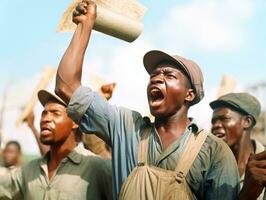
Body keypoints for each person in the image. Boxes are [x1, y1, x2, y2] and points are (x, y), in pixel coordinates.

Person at [54, 1, 240, 199]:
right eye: (154, 75)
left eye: (169, 75)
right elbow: (66, 86)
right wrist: (85, 26)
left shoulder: (214, 151)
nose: (157, 78)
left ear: (189, 94)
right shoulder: (127, 128)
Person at [0, 89, 112, 200]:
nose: (45, 119)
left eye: (55, 113)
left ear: (75, 122)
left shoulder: (97, 168)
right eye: (44, 114)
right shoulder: (28, 171)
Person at [210, 92, 265, 199]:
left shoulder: (263, 163)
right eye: (213, 121)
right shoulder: (209, 166)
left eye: (224, 118)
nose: (215, 125)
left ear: (247, 122)